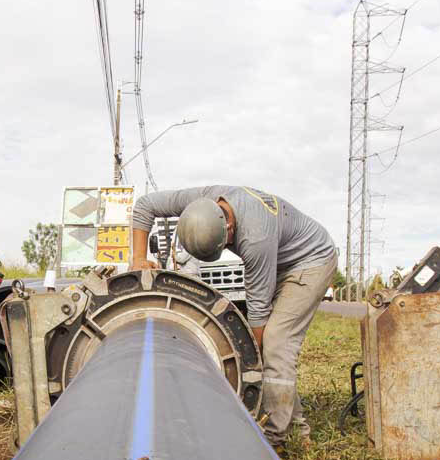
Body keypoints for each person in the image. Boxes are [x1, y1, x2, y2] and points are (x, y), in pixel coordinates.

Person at [128, 185, 337, 446]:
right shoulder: (202, 199)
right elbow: (145, 205)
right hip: (280, 258)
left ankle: (274, 437)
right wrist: (138, 258)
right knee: (271, 346)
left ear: (228, 229)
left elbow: (257, 315)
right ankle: (297, 431)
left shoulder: (255, 237)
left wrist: (244, 366)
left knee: (276, 342)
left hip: (310, 261)